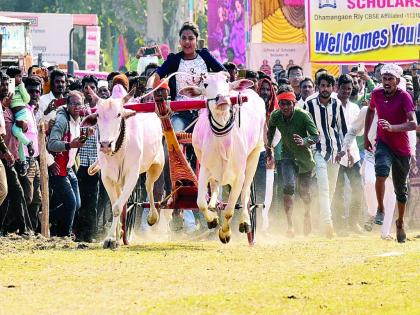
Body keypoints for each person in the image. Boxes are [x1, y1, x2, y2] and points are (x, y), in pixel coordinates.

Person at [151, 21, 225, 234]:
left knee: (212, 152)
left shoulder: (205, 56)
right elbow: (157, 76)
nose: (187, 42)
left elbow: (223, 74)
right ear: (180, 41)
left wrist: (212, 88)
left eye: (191, 38)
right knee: (170, 143)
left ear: (196, 40)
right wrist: (157, 91)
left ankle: (212, 199)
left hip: (204, 113)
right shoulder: (174, 60)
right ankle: (173, 196)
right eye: (183, 38)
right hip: (181, 113)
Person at [364, 64, 417, 243]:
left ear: (397, 81)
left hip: (401, 148)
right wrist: (365, 136)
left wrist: (393, 128)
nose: (386, 82)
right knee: (380, 171)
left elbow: (413, 124)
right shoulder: (376, 94)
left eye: (390, 79)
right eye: (384, 78)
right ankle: (380, 209)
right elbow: (371, 111)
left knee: (401, 191)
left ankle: (400, 222)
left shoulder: (404, 97)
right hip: (383, 143)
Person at [266, 91, 319, 237]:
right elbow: (270, 132)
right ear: (279, 104)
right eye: (282, 103)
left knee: (304, 192)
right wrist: (269, 148)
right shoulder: (275, 116)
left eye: (288, 103)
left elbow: (316, 136)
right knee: (288, 187)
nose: (285, 107)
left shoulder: (303, 115)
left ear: (294, 104)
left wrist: (304, 141)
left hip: (304, 159)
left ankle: (307, 216)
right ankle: (290, 226)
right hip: (286, 155)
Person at [303, 73, 348, 238]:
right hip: (318, 151)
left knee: (331, 189)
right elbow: (304, 130)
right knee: (323, 187)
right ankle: (328, 224)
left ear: (333, 88)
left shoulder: (337, 104)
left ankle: (322, 222)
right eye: (322, 86)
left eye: (328, 86)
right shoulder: (308, 105)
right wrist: (307, 146)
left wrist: (346, 149)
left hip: (335, 152)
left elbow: (343, 129)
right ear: (317, 87)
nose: (325, 89)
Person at [47, 91, 86, 237]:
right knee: (71, 204)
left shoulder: (79, 119)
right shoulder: (62, 120)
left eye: (79, 104)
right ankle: (65, 235)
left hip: (69, 168)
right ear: (68, 106)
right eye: (73, 104)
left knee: (77, 204)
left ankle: (46, 216)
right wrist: (70, 145)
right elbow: (51, 144)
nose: (76, 107)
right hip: (58, 167)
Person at [332, 74, 363, 234]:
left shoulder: (355, 107)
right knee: (338, 191)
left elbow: (358, 132)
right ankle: (340, 225)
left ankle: (353, 222)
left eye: (349, 89)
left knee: (359, 188)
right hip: (337, 154)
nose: (346, 91)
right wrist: (345, 150)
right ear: (337, 87)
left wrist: (350, 150)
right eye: (343, 88)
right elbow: (335, 131)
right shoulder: (331, 104)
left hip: (354, 155)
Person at [74, 75, 100, 242]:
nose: (89, 91)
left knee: (93, 200)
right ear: (82, 90)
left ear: (96, 91)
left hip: (96, 163)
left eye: (92, 88)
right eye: (86, 88)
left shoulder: (103, 109)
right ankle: (79, 234)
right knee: (79, 200)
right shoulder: (77, 109)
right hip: (79, 162)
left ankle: (90, 234)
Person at [19, 76, 43, 232]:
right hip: (24, 159)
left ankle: (32, 231)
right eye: (31, 91)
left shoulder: (33, 110)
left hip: (35, 159)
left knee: (37, 199)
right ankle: (19, 229)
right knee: (26, 197)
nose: (35, 94)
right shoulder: (20, 110)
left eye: (37, 91)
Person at [5, 67, 34, 176]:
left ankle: (29, 143)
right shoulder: (10, 86)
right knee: (19, 140)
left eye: (21, 76)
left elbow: (27, 99)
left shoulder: (21, 86)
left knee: (15, 131)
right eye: (18, 76)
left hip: (22, 113)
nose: (20, 78)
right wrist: (12, 83)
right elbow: (10, 98)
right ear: (12, 77)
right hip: (15, 114)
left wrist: (21, 85)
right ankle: (23, 162)